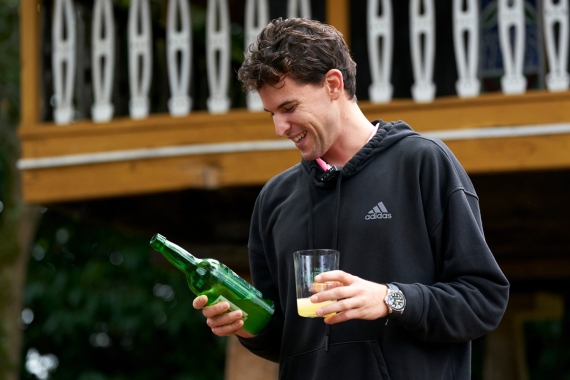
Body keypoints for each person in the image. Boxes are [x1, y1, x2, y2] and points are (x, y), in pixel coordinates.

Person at [193, 17, 509, 379]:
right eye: (272, 114)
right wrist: (247, 324)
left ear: (333, 84)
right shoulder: (274, 201)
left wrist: (391, 299)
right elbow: (288, 340)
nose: (279, 129)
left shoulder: (422, 164)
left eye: (289, 108)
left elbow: (484, 300)